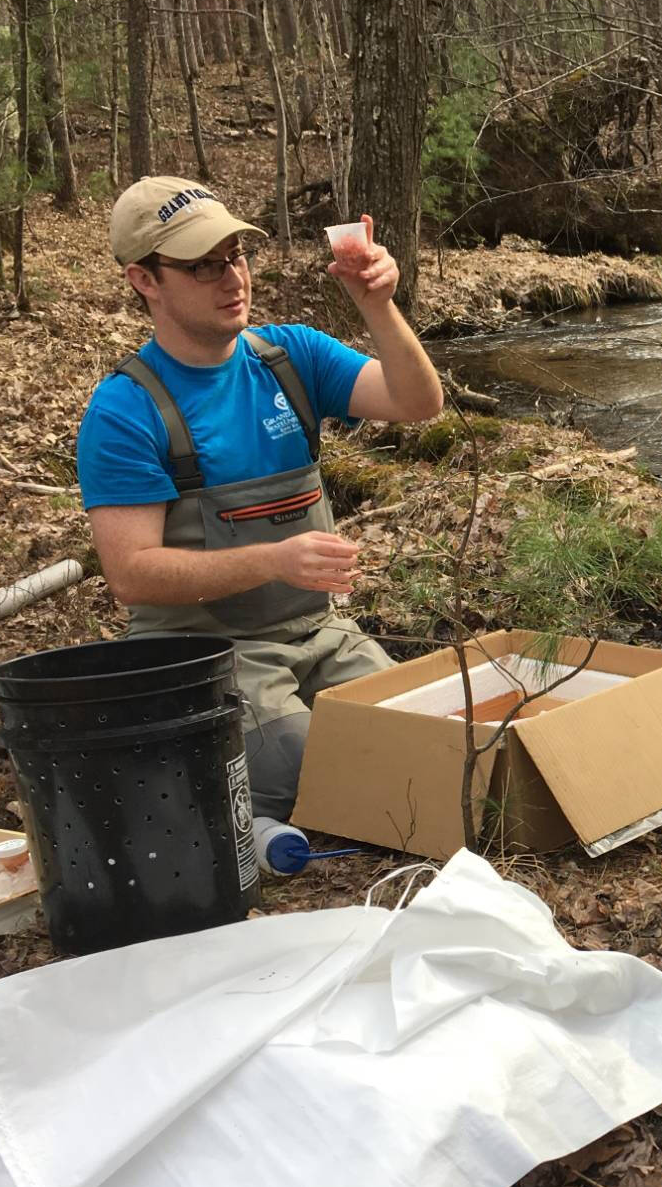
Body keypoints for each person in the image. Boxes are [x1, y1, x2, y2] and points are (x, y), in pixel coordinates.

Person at [76, 178, 444, 819]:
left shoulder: (290, 356)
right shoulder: (126, 409)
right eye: (202, 266)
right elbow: (132, 576)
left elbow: (418, 403)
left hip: (322, 634)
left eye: (237, 256)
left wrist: (377, 305)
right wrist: (275, 560)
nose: (232, 279)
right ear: (145, 280)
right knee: (317, 772)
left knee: (424, 742)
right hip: (205, 657)